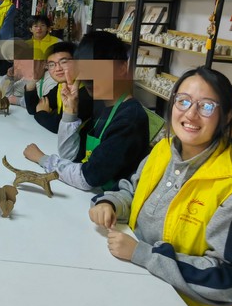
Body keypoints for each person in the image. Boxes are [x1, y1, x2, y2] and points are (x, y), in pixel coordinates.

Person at [89, 67, 232, 306]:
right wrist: (111, 203)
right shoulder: (164, 150)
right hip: (147, 294)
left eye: (206, 106)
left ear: (228, 116)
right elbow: (133, 189)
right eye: (183, 101)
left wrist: (143, 254)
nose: (191, 114)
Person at [23, 31, 149, 190]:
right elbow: (70, 155)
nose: (89, 79)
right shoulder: (102, 105)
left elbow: (88, 178)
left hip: (107, 200)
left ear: (122, 68)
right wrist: (70, 112)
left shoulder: (129, 119)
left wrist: (43, 159)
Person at [23, 41, 94, 133]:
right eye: (51, 65)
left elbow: (59, 126)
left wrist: (41, 113)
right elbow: (34, 108)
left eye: (64, 62)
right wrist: (34, 80)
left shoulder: (88, 93)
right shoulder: (61, 85)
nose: (58, 69)